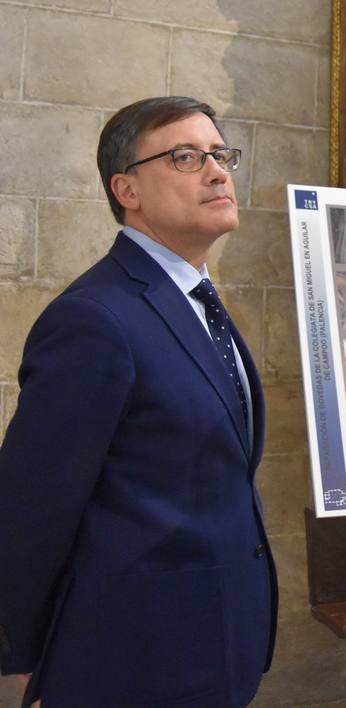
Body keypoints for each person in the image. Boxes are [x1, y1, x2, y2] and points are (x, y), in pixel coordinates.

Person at [0, 97, 276, 708]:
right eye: (185, 156)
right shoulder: (95, 318)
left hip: (216, 643)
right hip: (131, 657)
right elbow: (31, 508)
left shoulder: (195, 298)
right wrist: (27, 661)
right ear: (127, 188)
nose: (216, 171)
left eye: (219, 154)